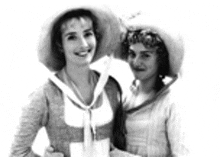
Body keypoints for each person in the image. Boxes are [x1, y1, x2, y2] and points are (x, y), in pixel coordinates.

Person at [9, 5, 124, 157]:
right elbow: (18, 152)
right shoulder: (45, 95)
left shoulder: (111, 87)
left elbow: (118, 143)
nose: (83, 44)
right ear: (60, 45)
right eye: (72, 37)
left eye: (87, 34)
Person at [113, 15, 189, 157]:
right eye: (132, 54)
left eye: (145, 55)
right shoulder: (125, 97)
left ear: (160, 59)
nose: (136, 62)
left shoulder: (172, 102)